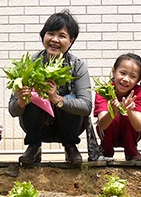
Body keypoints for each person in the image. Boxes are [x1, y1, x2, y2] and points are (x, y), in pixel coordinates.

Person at [9, 10, 91, 165]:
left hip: (67, 124)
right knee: (33, 98)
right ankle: (33, 146)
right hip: (38, 124)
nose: (55, 39)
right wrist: (21, 100)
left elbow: (86, 106)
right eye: (50, 33)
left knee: (71, 98)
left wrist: (56, 99)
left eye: (62, 35)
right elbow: (13, 110)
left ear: (71, 41)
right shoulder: (30, 64)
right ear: (43, 35)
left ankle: (70, 145)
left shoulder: (77, 65)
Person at [94, 53, 141, 161]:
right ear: (113, 72)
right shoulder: (105, 91)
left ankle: (131, 152)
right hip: (109, 131)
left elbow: (139, 126)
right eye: (122, 73)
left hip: (130, 132)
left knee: (127, 115)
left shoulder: (139, 92)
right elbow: (103, 125)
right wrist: (113, 111)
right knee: (114, 116)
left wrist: (130, 112)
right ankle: (105, 151)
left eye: (133, 76)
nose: (126, 79)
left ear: (139, 80)